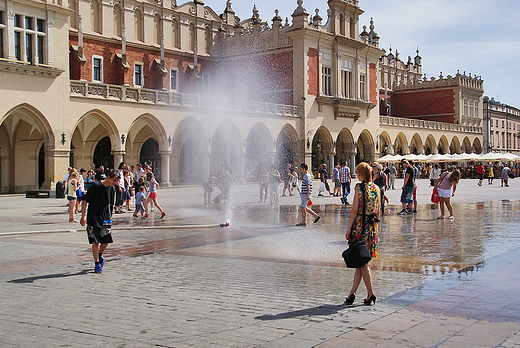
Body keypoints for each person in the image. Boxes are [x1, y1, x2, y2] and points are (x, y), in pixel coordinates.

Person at [344, 162, 380, 306]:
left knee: (363, 263)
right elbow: (378, 210)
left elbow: (354, 210)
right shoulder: (376, 188)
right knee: (361, 262)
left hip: (360, 228)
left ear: (360, 174)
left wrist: (348, 229)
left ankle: (371, 294)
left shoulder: (359, 188)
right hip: (372, 228)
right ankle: (352, 294)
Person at [80, 169, 120, 273]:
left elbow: (110, 204)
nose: (115, 183)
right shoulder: (96, 186)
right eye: (114, 180)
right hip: (93, 218)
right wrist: (83, 216)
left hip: (105, 219)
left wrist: (110, 217)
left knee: (106, 241)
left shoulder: (112, 189)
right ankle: (97, 264)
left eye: (117, 181)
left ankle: (100, 254)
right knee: (95, 242)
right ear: (108, 177)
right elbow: (85, 200)